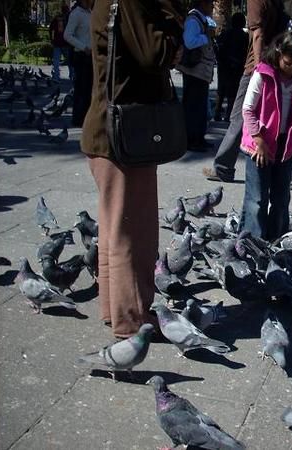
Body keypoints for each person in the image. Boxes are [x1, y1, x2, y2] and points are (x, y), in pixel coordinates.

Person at [80, 0, 183, 339]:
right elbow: (155, 53)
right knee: (133, 234)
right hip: (124, 134)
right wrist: (170, 12)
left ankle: (116, 312)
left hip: (110, 131)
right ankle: (131, 321)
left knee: (114, 229)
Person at [202, 0, 289, 183]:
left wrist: (258, 68)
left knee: (239, 116)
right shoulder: (276, 4)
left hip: (258, 66)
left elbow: (257, 35)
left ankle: (223, 167)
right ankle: (291, 172)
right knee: (276, 118)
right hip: (275, 64)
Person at [239, 29, 292, 241]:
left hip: (286, 145)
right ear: (279, 53)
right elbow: (247, 110)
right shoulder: (263, 73)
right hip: (258, 146)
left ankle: (277, 237)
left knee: (281, 198)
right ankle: (252, 241)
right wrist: (259, 141)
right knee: (257, 198)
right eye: (288, 63)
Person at [177, 0, 216, 152]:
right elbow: (190, 41)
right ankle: (191, 140)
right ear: (202, 4)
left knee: (199, 108)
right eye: (210, 4)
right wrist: (206, 37)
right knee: (193, 108)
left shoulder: (201, 20)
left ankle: (198, 138)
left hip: (200, 72)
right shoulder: (193, 20)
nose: (212, 7)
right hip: (194, 71)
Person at [214, 12, 248, 122]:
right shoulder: (244, 36)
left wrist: (221, 60)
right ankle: (228, 115)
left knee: (221, 90)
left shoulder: (224, 34)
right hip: (237, 67)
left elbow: (218, 47)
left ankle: (217, 112)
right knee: (233, 92)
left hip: (224, 66)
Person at [63, 0, 93, 127]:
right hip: (81, 55)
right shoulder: (76, 14)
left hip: (91, 56)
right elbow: (67, 35)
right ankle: (78, 119)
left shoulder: (90, 13)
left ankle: (87, 118)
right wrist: (83, 47)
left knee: (89, 89)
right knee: (81, 89)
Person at [49, 5, 70, 83]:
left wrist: (51, 39)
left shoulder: (56, 19)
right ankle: (72, 76)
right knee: (70, 61)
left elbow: (50, 29)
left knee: (56, 62)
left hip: (57, 43)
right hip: (66, 43)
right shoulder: (68, 18)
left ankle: (56, 77)